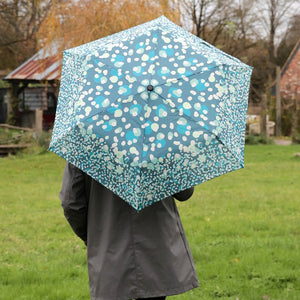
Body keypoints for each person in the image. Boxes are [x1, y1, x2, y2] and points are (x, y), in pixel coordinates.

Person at [60, 162, 199, 300]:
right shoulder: (160, 141)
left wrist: (94, 238)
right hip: (157, 250)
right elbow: (185, 192)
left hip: (109, 252)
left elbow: (71, 203)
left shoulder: (85, 143)